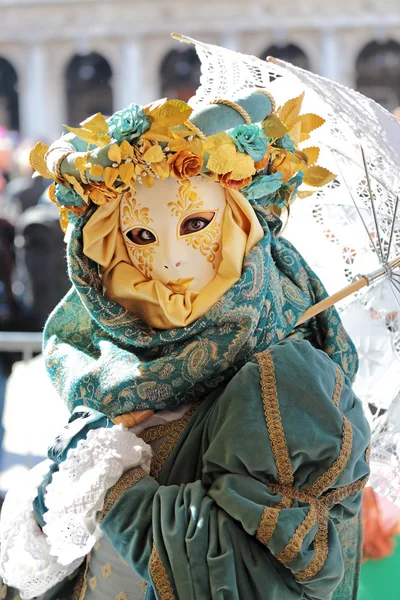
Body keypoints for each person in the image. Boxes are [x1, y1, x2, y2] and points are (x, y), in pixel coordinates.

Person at [0, 90, 370, 600]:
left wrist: (116, 487)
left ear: (240, 222)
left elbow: (250, 583)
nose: (171, 259)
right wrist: (49, 511)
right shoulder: (109, 364)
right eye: (142, 236)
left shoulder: (285, 381)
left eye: (195, 225)